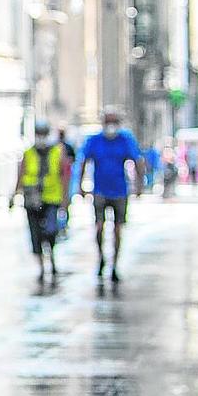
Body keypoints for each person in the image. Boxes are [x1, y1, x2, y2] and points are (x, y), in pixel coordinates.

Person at [79, 111, 145, 283]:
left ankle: (114, 264)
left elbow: (137, 161)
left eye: (114, 122)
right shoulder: (94, 140)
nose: (111, 126)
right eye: (108, 122)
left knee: (117, 229)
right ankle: (101, 258)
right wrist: (80, 186)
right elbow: (83, 161)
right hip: (100, 190)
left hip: (120, 191)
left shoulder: (125, 139)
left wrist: (139, 186)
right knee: (99, 227)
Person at [11, 121, 72, 282]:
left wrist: (65, 200)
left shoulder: (57, 152)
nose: (41, 138)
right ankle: (41, 268)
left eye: (44, 134)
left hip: (51, 198)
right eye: (39, 134)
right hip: (32, 199)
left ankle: (51, 258)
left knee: (51, 231)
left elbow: (64, 175)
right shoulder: (29, 153)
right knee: (35, 234)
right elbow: (22, 174)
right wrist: (14, 194)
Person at [57, 125, 78, 236]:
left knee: (66, 202)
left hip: (68, 178)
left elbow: (74, 160)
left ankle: (65, 224)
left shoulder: (68, 147)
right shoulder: (54, 147)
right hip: (56, 181)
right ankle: (59, 226)